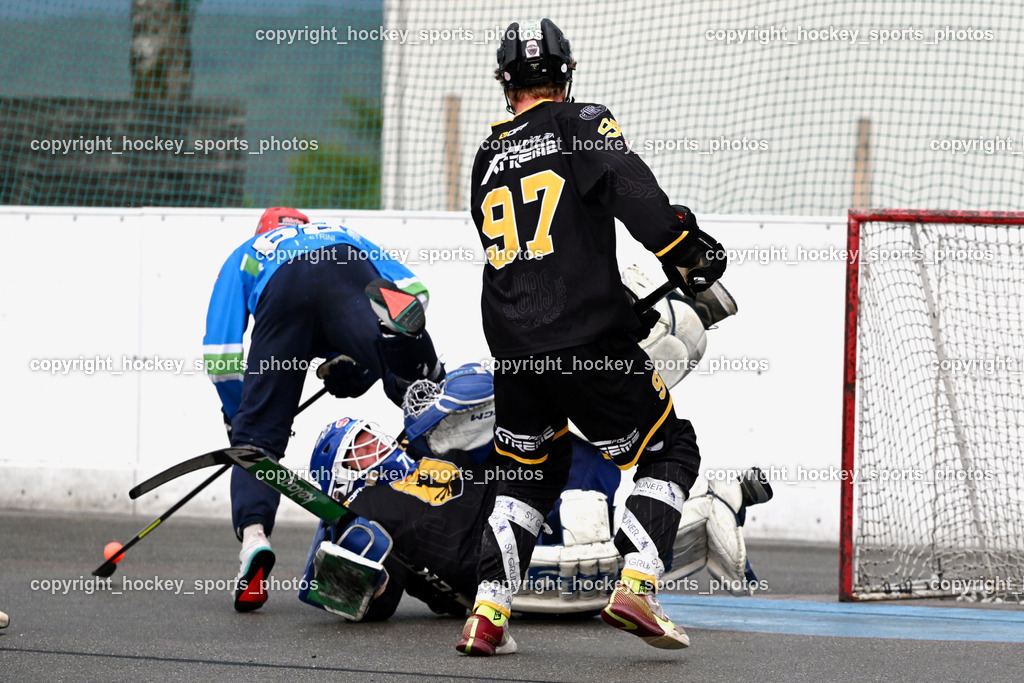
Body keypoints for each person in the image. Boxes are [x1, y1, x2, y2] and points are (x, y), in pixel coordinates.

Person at [459, 18, 728, 655]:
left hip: (514, 350)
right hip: (584, 343)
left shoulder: (487, 157)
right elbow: (630, 187)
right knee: (670, 447)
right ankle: (638, 584)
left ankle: (487, 614)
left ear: (506, 84)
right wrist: (686, 249)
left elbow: (535, 254)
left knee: (526, 473)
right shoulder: (581, 122)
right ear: (565, 76)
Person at [295, 276, 768, 631]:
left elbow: (442, 398)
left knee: (598, 375)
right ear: (341, 480)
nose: (373, 447)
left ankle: (679, 310)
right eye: (356, 451)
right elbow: (372, 598)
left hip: (550, 483)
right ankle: (716, 503)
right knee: (601, 539)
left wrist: (402, 341)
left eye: (368, 437)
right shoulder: (364, 515)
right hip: (524, 567)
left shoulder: (422, 448)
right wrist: (340, 563)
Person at [203, 206, 444, 612]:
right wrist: (361, 367)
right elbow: (415, 292)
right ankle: (426, 398)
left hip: (282, 291)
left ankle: (254, 541)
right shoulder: (340, 231)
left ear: (264, 229)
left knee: (257, 437)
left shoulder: (248, 251)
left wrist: (240, 413)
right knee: (413, 384)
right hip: (347, 268)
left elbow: (221, 358)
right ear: (305, 226)